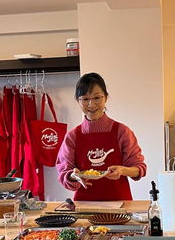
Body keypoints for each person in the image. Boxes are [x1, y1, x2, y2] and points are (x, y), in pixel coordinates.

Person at [55, 72, 146, 200]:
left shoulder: (121, 132)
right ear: (78, 101)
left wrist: (122, 171)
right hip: (84, 206)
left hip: (119, 205)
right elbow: (64, 172)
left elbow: (139, 168)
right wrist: (73, 175)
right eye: (85, 99)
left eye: (97, 98)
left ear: (105, 98)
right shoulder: (73, 137)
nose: (91, 104)